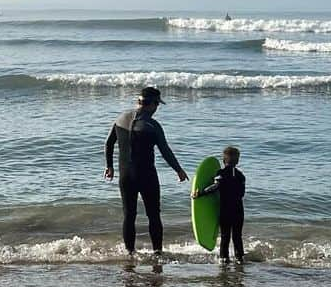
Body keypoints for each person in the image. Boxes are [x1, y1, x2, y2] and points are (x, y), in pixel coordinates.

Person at [104, 86, 188, 254]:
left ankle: (129, 253)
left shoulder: (121, 118)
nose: (157, 109)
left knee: (129, 215)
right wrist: (178, 170)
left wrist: (110, 166)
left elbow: (108, 143)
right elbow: (165, 151)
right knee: (154, 216)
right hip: (146, 176)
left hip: (126, 176)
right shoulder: (153, 125)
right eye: (157, 105)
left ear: (139, 101)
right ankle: (157, 252)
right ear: (152, 104)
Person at [192, 145, 246, 262]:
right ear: (237, 161)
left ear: (223, 160)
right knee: (237, 236)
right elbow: (242, 193)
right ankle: (240, 258)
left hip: (226, 210)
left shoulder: (221, 173)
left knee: (225, 236)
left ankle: (224, 259)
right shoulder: (241, 176)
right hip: (238, 210)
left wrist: (200, 193)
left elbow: (216, 186)